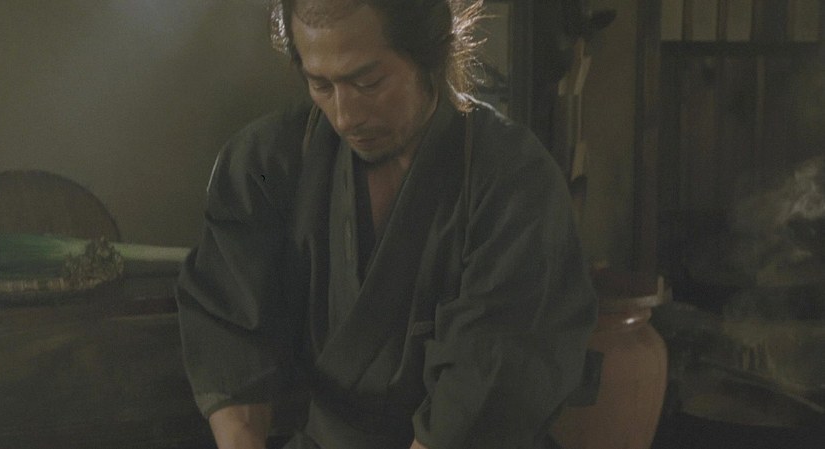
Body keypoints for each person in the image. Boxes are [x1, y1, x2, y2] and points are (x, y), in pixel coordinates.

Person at [176, 0, 598, 448]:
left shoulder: (512, 177)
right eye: (321, 85)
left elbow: (493, 377)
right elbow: (229, 331)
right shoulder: (265, 163)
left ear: (430, 53)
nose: (345, 116)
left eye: (368, 82)